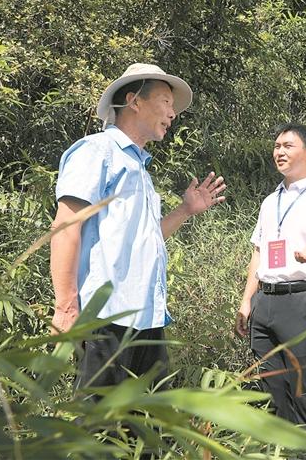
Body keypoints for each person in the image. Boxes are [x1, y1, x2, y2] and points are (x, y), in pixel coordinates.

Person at [49, 63, 226, 393]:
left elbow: (146, 238)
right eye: (165, 101)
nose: (172, 113)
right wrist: (66, 306)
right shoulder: (97, 152)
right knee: (100, 421)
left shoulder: (139, 167)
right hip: (107, 317)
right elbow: (66, 226)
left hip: (146, 318)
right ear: (134, 101)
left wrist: (185, 210)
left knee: (148, 420)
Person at [235, 123, 306, 429]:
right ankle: (283, 447)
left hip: (300, 302)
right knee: (273, 392)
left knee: (304, 392)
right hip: (264, 303)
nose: (279, 152)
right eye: (277, 146)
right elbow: (258, 253)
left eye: (288, 146)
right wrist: (247, 302)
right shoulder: (270, 201)